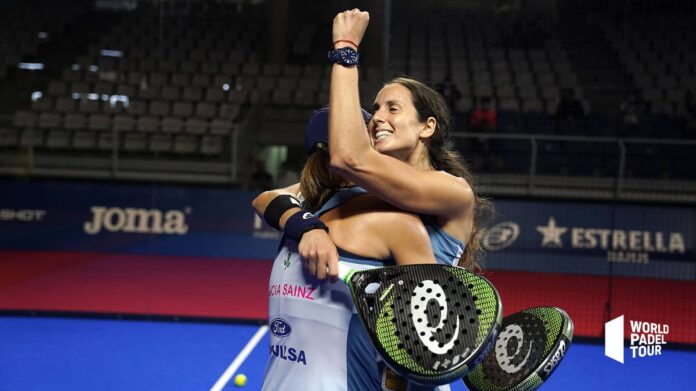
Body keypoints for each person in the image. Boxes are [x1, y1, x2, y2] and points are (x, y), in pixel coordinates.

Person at [254, 106, 448, 391]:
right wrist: (309, 228)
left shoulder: (397, 223)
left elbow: (428, 340)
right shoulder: (304, 208)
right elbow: (265, 199)